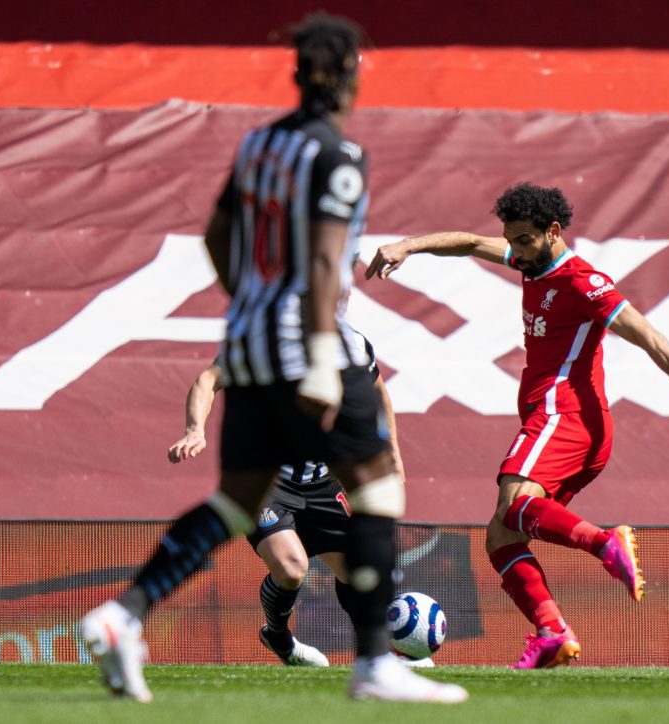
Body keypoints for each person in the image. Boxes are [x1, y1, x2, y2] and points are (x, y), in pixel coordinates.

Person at [79, 13, 467, 703]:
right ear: (348, 78)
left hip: (251, 343)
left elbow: (216, 232)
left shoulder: (259, 145)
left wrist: (252, 303)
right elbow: (323, 262)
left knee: (235, 501)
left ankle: (122, 614)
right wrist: (319, 356)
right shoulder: (338, 155)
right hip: (307, 347)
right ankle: (376, 664)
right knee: (378, 488)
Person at [365, 182, 669, 669]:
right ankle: (553, 631)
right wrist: (408, 246)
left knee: (515, 503)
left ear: (552, 232)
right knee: (501, 535)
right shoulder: (530, 261)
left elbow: (645, 332)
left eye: (522, 240)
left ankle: (606, 542)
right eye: (511, 239)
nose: (513, 251)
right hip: (562, 422)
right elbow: (471, 244)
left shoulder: (583, 282)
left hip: (566, 416)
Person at [166, 323, 421, 669]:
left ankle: (379, 656)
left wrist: (392, 454)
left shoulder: (353, 344)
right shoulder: (263, 339)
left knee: (360, 568)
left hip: (322, 481)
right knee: (291, 567)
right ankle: (278, 635)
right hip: (266, 480)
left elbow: (378, 393)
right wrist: (194, 429)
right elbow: (208, 380)